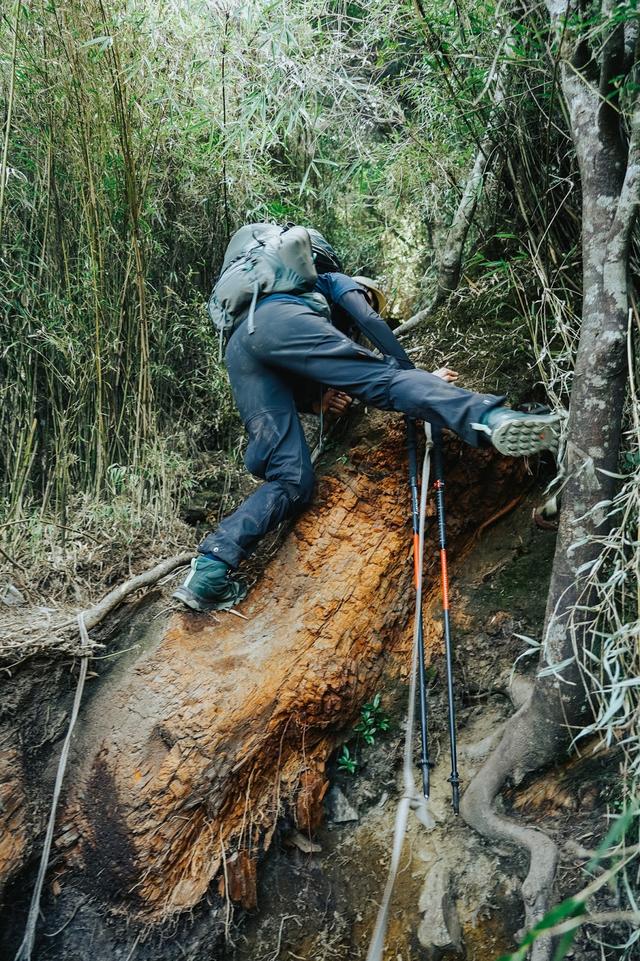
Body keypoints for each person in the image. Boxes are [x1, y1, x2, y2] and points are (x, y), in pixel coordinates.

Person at [173, 230, 559, 612]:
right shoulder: (335, 282)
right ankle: (489, 417)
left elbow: (286, 381)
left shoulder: (251, 303)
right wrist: (412, 374)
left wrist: (315, 401)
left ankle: (210, 568)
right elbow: (373, 326)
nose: (364, 303)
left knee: (290, 479)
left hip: (239, 347)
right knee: (388, 383)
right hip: (281, 324)